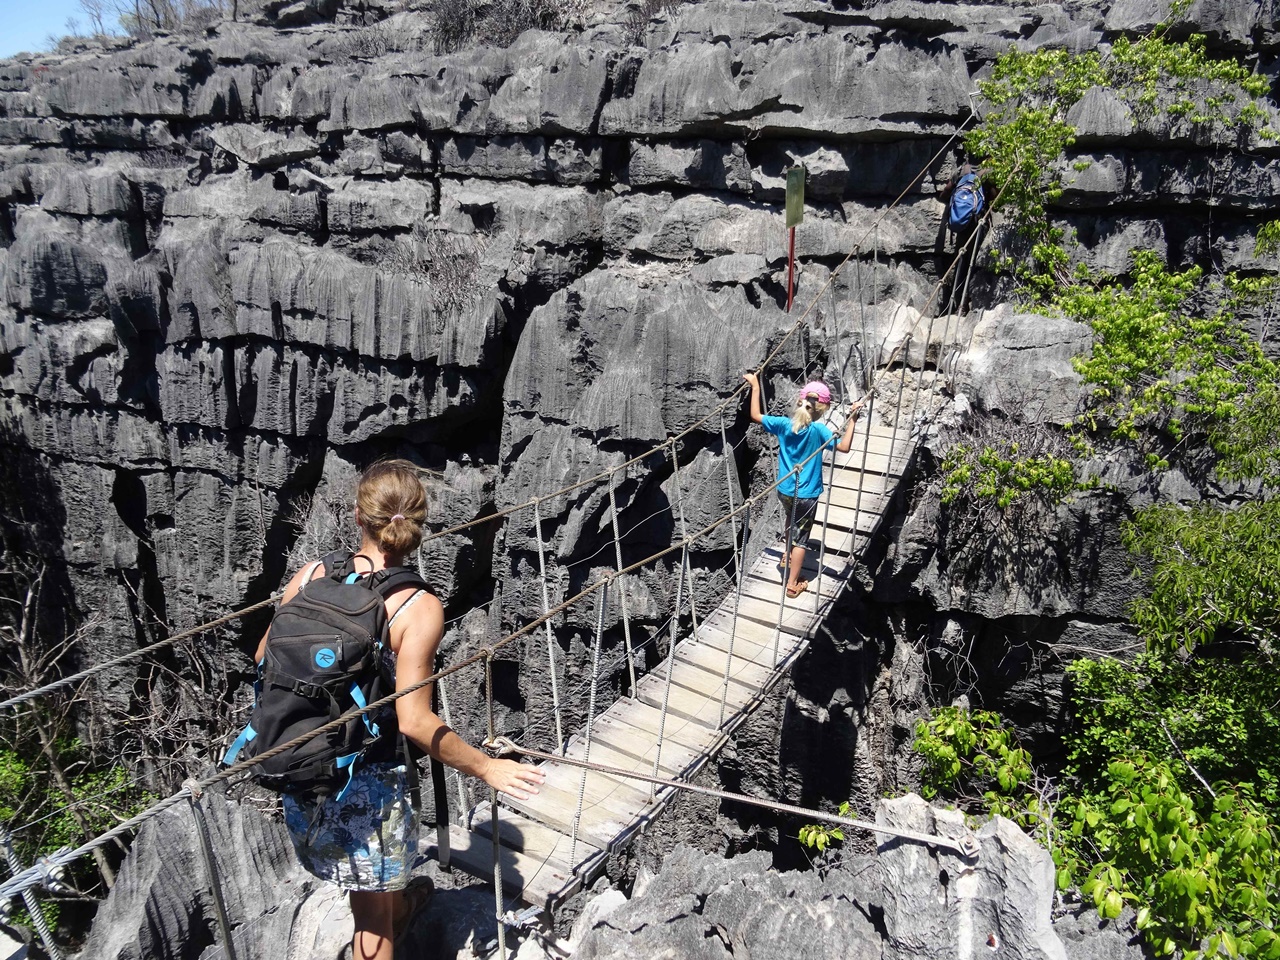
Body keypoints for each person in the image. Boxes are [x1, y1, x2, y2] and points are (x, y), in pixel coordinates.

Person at [256, 459, 545, 960]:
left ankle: (403, 904)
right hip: (365, 783)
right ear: (418, 522)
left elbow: (264, 657)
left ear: (356, 517)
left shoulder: (310, 575)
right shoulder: (417, 606)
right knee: (372, 924)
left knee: (370, 890)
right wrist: (485, 767)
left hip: (300, 768)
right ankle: (393, 912)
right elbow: (413, 720)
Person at [742, 374, 864, 598]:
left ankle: (786, 554)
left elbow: (755, 415)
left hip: (784, 490)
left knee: (790, 519)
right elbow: (844, 447)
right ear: (823, 409)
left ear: (800, 401)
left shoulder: (783, 424)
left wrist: (755, 385)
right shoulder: (819, 431)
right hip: (806, 495)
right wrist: (853, 419)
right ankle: (792, 583)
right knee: (802, 539)